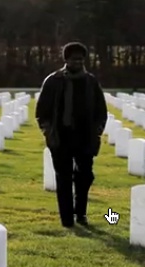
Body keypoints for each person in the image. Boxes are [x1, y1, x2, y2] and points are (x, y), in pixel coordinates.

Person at [35, 42, 108, 227]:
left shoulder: (91, 82)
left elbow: (101, 111)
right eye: (75, 59)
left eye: (81, 59)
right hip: (61, 137)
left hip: (85, 137)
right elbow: (42, 112)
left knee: (85, 176)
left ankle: (81, 213)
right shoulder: (53, 81)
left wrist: (97, 131)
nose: (78, 62)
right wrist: (49, 133)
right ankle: (67, 219)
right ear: (66, 60)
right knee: (64, 178)